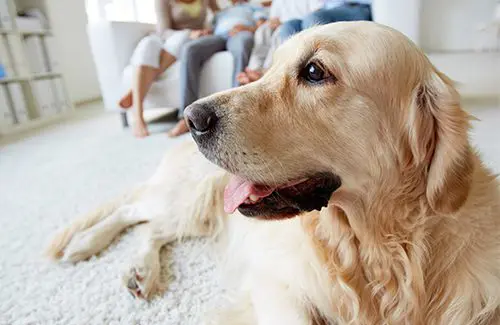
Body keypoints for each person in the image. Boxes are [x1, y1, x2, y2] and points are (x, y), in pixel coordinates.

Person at [168, 0, 270, 137]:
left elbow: (262, 25)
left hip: (240, 34)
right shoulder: (221, 13)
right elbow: (212, 27)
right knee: (189, 49)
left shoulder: (253, 7)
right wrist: (205, 32)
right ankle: (185, 118)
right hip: (218, 36)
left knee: (244, 43)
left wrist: (246, 29)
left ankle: (236, 111)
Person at [119, 0, 219, 138]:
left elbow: (218, 14)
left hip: (191, 40)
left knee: (182, 39)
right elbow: (163, 31)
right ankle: (138, 118)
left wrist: (211, 29)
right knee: (147, 44)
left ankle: (136, 89)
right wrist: (190, 32)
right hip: (169, 38)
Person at [237, 0, 322, 85]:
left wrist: (281, 23)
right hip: (279, 25)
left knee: (279, 32)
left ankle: (267, 72)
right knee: (263, 30)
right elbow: (273, 18)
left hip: (295, 26)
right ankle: (254, 69)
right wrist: (271, 22)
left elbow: (316, 14)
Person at [279, 0, 372, 41]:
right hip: (326, 11)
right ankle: (296, 69)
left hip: (354, 7)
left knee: (313, 18)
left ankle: (324, 66)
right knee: (288, 26)